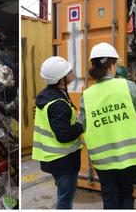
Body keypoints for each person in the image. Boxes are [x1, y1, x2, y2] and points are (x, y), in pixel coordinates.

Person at [78, 42, 136, 209]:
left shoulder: (86, 95)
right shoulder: (128, 86)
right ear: (112, 65)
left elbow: (82, 125)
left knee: (109, 197)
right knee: (126, 194)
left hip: (103, 159)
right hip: (129, 155)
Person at [32, 56, 84, 209]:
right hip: (64, 161)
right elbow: (63, 135)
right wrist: (81, 125)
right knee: (65, 200)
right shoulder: (58, 104)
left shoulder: (46, 95)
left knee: (63, 194)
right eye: (69, 72)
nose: (72, 73)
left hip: (51, 158)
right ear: (61, 79)